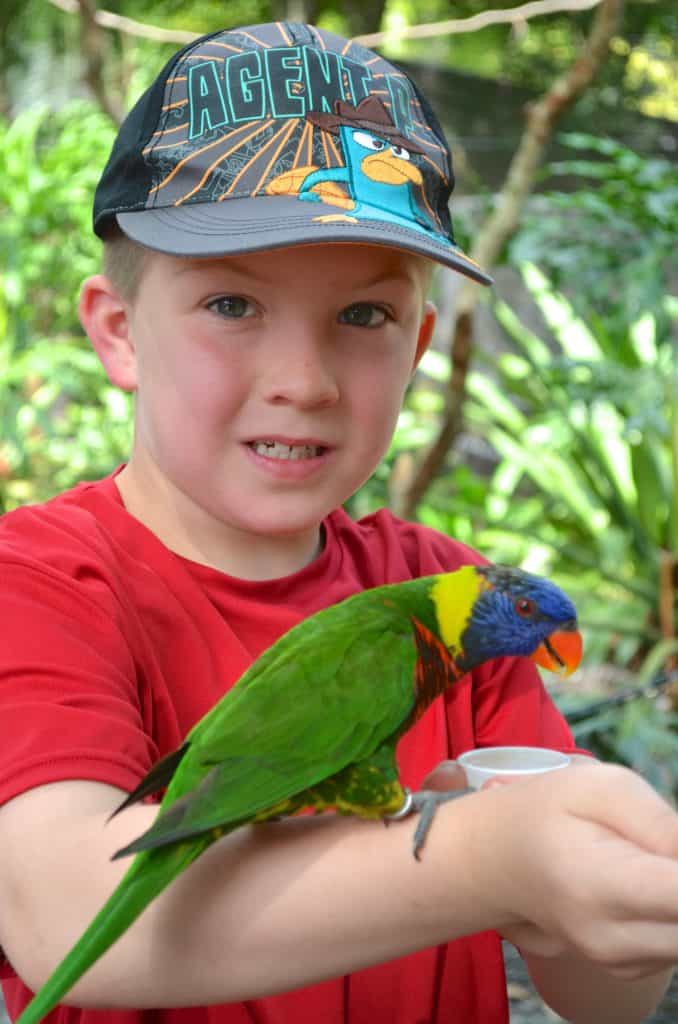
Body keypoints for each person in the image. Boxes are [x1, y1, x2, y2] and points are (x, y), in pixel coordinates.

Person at [0, 20, 676, 1024]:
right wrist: (488, 858)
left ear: (421, 348)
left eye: (364, 317)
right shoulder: (37, 583)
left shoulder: (458, 599)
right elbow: (67, 917)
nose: (304, 382)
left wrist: (616, 891)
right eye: (232, 305)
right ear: (117, 330)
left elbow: (603, 1002)